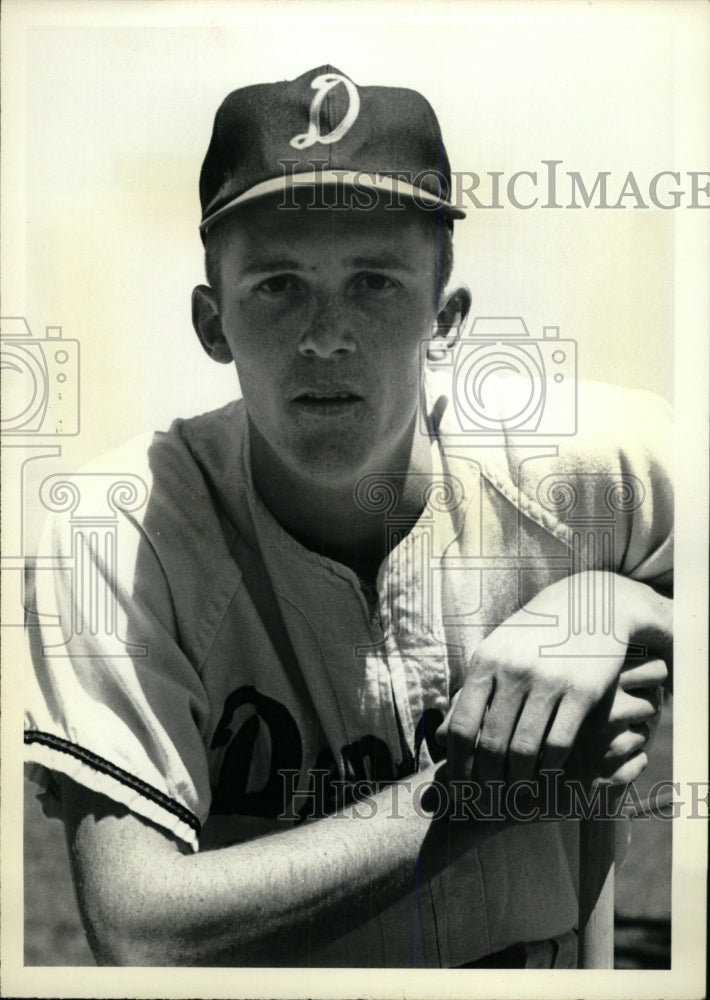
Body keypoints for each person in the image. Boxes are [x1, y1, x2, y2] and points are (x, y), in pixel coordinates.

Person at [24, 65, 673, 969]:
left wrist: (615, 609)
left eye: (374, 282)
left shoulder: (591, 462)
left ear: (446, 320)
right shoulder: (117, 528)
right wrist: (487, 793)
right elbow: (142, 927)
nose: (325, 335)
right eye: (278, 285)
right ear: (212, 323)